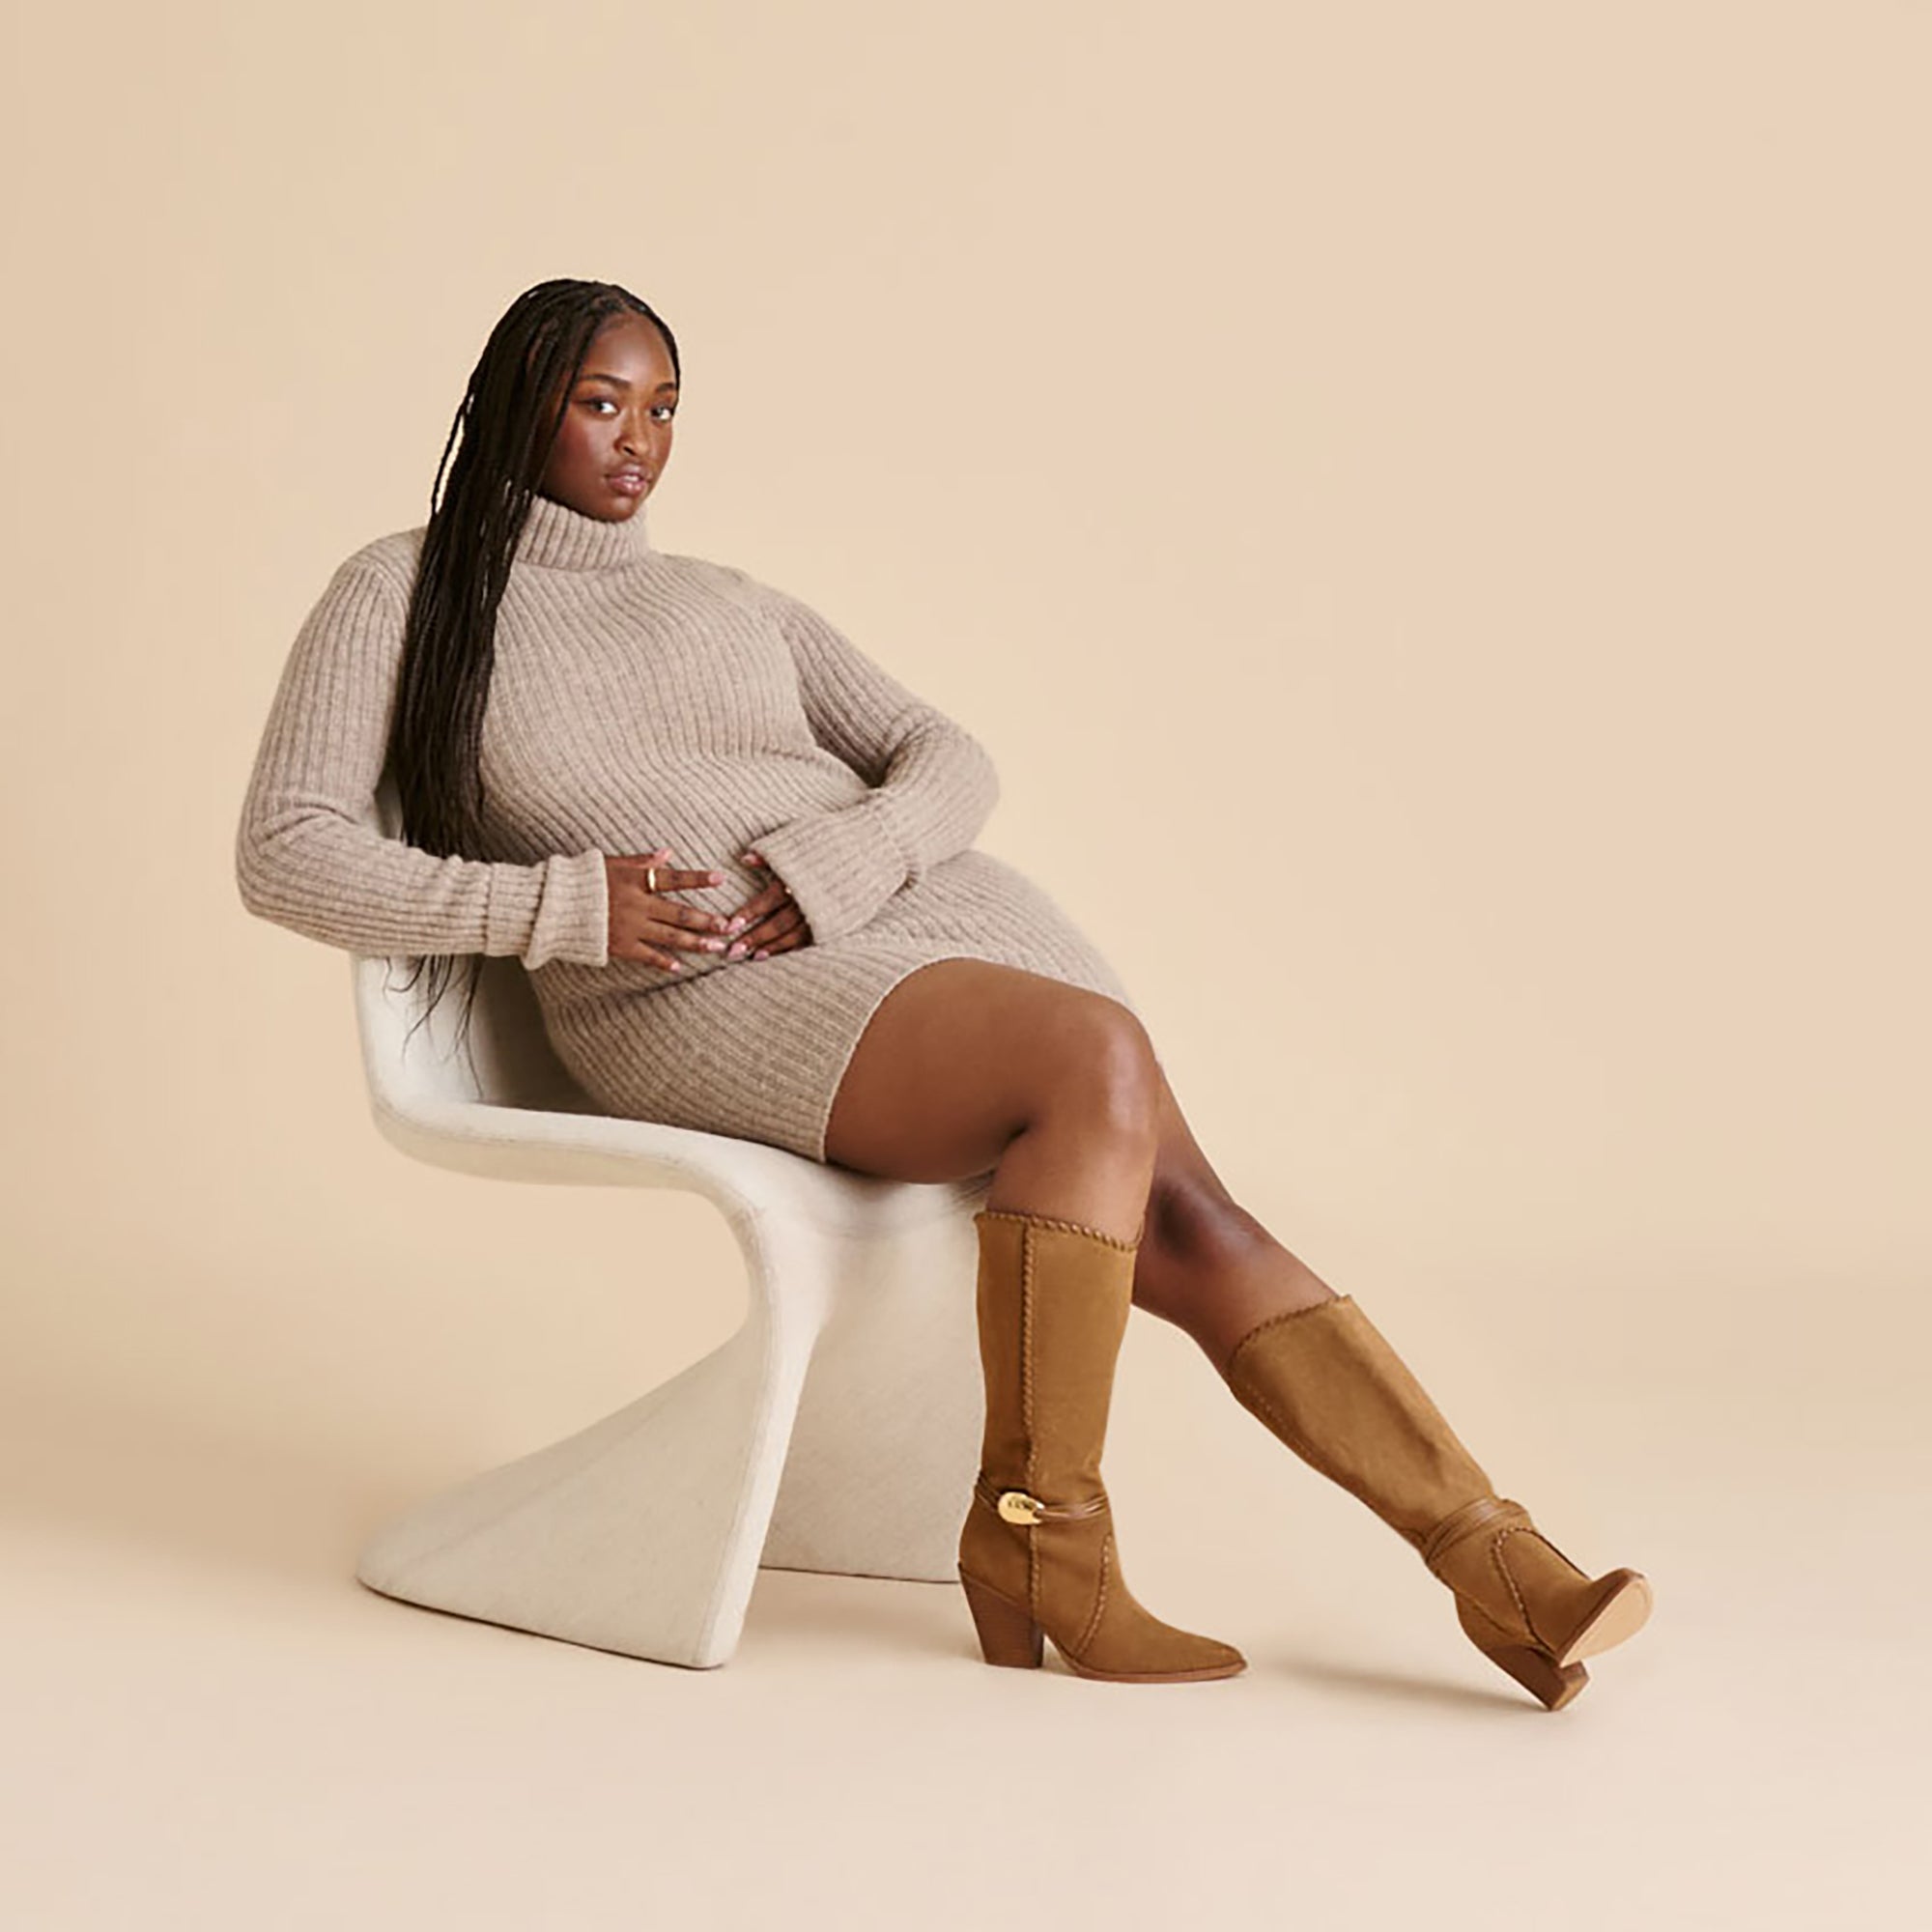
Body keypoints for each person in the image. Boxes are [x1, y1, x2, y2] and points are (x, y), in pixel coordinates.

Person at [236, 276, 1654, 1703]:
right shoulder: (399, 591)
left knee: (1187, 1212)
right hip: (704, 1000)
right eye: (601, 404)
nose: (639, 442)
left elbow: (948, 755)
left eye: (664, 409)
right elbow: (286, 848)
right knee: (1094, 1062)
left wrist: (849, 855)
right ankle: (1045, 1539)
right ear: (516, 406)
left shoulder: (733, 603)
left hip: (914, 926)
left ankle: (1500, 1571)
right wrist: (558, 908)